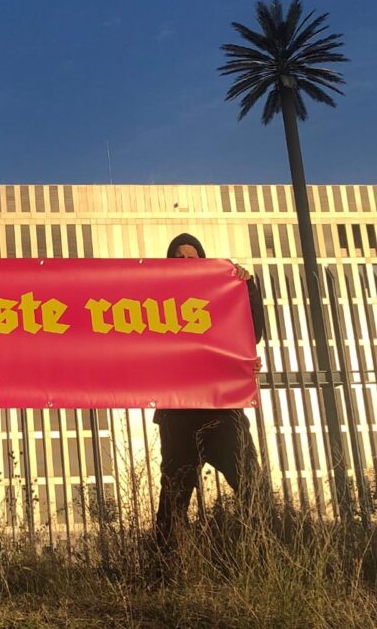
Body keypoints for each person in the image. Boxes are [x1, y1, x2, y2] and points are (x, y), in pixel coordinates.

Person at [153, 233, 269, 550]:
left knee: (253, 488)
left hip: (222, 410)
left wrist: (246, 287)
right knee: (173, 502)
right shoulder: (155, 301)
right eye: (177, 258)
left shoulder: (222, 293)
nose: (185, 263)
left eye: (192, 258)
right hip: (177, 414)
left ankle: (267, 558)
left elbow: (252, 333)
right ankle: (163, 571)